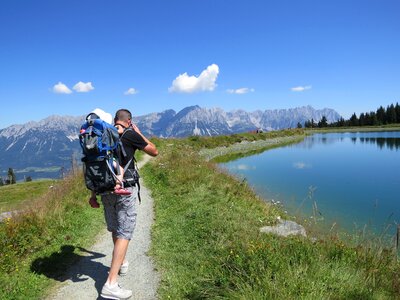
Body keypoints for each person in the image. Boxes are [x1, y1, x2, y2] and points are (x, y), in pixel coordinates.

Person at [89, 108, 158, 300]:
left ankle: (122, 262)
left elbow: (97, 164)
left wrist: (92, 195)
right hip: (124, 190)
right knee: (125, 233)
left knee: (115, 229)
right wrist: (138, 132)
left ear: (114, 120)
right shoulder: (130, 134)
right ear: (129, 121)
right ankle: (111, 283)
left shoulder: (104, 134)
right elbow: (154, 151)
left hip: (104, 190)